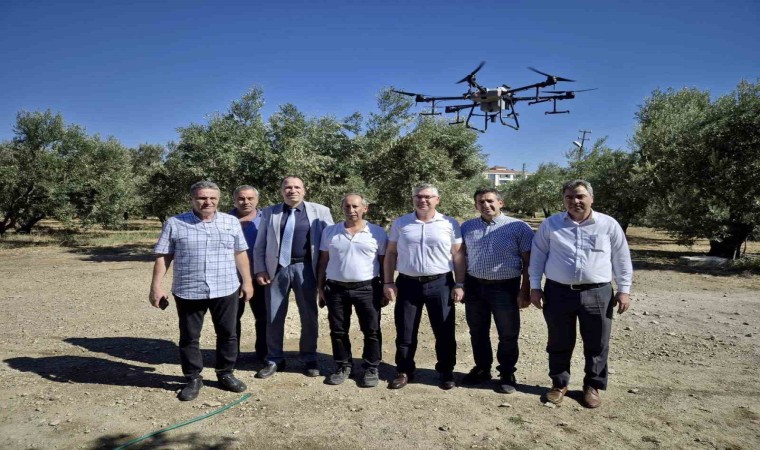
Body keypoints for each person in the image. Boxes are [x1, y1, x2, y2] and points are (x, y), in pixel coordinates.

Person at [529, 179, 633, 408]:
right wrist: (535, 287)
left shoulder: (608, 224)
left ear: (591, 198)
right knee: (559, 340)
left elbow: (621, 258)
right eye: (569, 197)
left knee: (597, 342)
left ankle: (592, 386)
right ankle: (559, 384)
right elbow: (538, 257)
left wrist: (624, 290)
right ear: (563, 200)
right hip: (558, 292)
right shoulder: (551, 224)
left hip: (598, 292)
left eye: (580, 196)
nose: (574, 201)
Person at [149, 180, 254, 401]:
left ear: (219, 200)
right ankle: (193, 378)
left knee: (228, 334)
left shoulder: (230, 222)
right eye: (202, 198)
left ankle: (225, 373)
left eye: (212, 198)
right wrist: (156, 287)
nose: (208, 202)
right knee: (189, 337)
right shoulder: (175, 223)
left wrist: (247, 282)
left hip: (226, 288)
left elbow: (240, 253)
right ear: (192, 199)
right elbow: (164, 256)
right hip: (189, 289)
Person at [383, 183, 465, 390]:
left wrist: (460, 283)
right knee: (405, 330)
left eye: (428, 197)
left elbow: (458, 254)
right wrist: (388, 282)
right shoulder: (401, 223)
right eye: (418, 196)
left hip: (441, 283)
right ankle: (404, 370)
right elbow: (391, 253)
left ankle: (446, 371)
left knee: (444, 330)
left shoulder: (449, 223)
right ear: (413, 199)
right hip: (408, 284)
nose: (423, 200)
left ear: (437, 200)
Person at [253, 176, 333, 378]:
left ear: (304, 190)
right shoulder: (269, 212)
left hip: (306, 269)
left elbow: (329, 244)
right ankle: (274, 359)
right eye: (287, 187)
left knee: (309, 316)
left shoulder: (321, 211)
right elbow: (260, 244)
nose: (292, 190)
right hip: (276, 269)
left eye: (297, 187)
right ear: (282, 191)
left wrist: (327, 274)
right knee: (273, 316)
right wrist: (260, 269)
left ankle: (309, 358)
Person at [460, 188, 533, 394]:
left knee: (508, 333)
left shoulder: (519, 227)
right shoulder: (467, 227)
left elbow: (529, 263)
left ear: (501, 203)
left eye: (490, 201)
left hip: (505, 288)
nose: (486, 205)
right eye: (481, 202)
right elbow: (461, 257)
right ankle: (482, 368)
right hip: (474, 286)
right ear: (476, 205)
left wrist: (525, 290)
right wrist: (461, 284)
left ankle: (507, 372)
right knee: (477, 331)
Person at [316, 193, 387, 388]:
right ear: (342, 208)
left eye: (355, 206)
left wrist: (385, 286)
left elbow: (384, 263)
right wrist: (320, 288)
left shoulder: (377, 232)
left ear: (365, 208)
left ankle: (371, 367)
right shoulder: (330, 232)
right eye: (347, 206)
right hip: (335, 289)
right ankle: (343, 366)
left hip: (368, 288)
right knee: (338, 330)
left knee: (371, 330)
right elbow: (323, 261)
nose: (351, 210)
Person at [229, 185, 267, 362]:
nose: (246, 202)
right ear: (234, 200)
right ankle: (231, 356)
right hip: (232, 278)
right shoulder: (224, 220)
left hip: (261, 277)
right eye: (241, 198)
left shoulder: (267, 219)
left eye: (250, 198)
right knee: (231, 319)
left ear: (257, 200)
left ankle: (264, 354)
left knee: (264, 318)